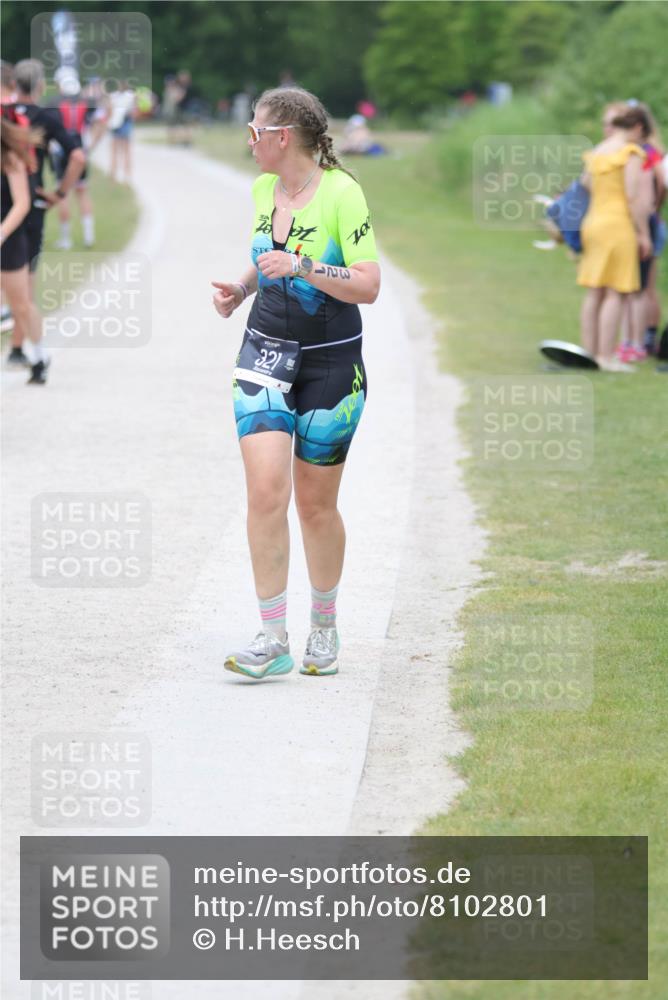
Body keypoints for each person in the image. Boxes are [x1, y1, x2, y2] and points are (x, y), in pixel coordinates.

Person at [211, 86, 380, 680]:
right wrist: (242, 288)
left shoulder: (341, 193)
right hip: (263, 352)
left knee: (314, 504)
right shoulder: (264, 189)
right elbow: (268, 256)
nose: (248, 141)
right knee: (264, 492)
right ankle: (272, 635)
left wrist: (304, 265)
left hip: (330, 364)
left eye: (254, 131)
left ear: (282, 137)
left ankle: (324, 624)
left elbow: (368, 284)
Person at [8, 59, 85, 373]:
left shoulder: (6, 115)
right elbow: (77, 156)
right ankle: (18, 349)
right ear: (40, 85)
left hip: (5, 200)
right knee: (25, 282)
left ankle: (19, 346)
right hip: (32, 203)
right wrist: (60, 193)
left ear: (13, 85)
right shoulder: (45, 118)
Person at [578, 105, 652, 372]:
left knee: (594, 290)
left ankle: (589, 352)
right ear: (638, 128)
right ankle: (606, 357)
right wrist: (644, 233)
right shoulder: (630, 153)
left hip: (593, 221)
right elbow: (633, 197)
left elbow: (585, 184)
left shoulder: (599, 150)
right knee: (615, 292)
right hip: (617, 224)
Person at [1, 116, 50, 384]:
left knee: (20, 305)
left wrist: (2, 233)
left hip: (9, 240)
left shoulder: (11, 159)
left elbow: (22, 203)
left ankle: (40, 356)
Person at [53, 80, 96, 249]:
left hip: (62, 151)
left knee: (63, 194)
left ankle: (66, 239)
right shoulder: (85, 105)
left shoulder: (57, 106)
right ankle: (88, 236)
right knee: (83, 193)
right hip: (80, 149)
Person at [107, 80, 136, 182]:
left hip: (124, 122)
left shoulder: (130, 96)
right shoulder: (114, 96)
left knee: (125, 150)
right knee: (115, 150)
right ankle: (114, 174)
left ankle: (126, 174)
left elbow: (133, 112)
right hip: (116, 123)